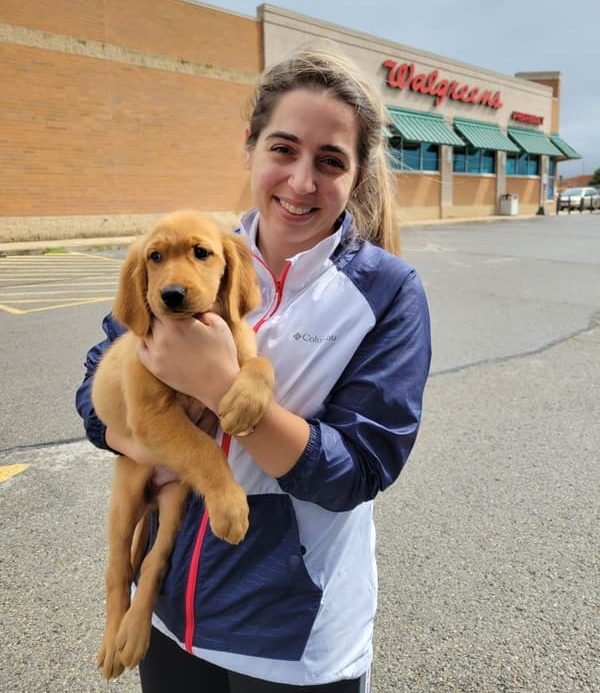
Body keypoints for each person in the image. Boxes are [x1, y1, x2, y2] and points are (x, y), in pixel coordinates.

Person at [76, 44, 432, 692]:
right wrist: (149, 442)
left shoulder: (386, 292)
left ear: (357, 175)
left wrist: (220, 386)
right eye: (283, 149)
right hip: (167, 622)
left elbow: (360, 470)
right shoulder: (191, 255)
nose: (301, 181)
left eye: (330, 161)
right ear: (250, 147)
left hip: (291, 644)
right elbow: (93, 389)